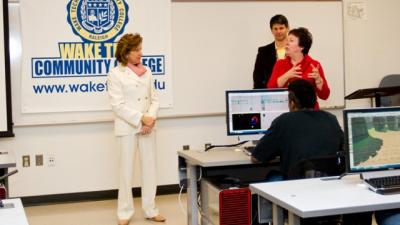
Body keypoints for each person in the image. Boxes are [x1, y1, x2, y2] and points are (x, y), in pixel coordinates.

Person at [107, 33, 166, 225]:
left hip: (148, 127)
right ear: (126, 53)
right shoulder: (116, 74)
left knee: (150, 170)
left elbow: (154, 98)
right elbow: (118, 105)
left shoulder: (147, 71)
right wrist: (142, 119)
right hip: (127, 127)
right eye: (137, 50)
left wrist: (151, 118)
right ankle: (124, 213)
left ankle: (150, 209)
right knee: (126, 172)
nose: (141, 53)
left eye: (141, 48)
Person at [251, 79, 342, 180]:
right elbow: (344, 149)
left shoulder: (284, 121)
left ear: (292, 103)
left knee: (271, 177)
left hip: (294, 187)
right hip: (328, 185)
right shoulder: (331, 119)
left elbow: (256, 158)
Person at [267, 27, 330, 109]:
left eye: (291, 40)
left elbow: (325, 96)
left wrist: (319, 81)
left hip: (309, 114)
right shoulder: (280, 64)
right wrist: (287, 75)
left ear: (301, 47)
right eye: (287, 40)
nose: (286, 43)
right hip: (286, 112)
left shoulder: (314, 65)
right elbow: (270, 90)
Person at [253, 14, 289, 89]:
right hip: (270, 94)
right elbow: (257, 79)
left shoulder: (295, 49)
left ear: (287, 28)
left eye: (281, 28)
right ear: (271, 30)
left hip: (292, 95)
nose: (278, 31)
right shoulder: (263, 52)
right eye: (275, 29)